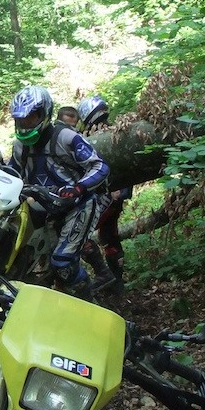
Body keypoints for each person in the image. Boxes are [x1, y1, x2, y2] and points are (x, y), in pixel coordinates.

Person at [9, 86, 110, 299]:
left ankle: (88, 302)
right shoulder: (19, 146)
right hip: (45, 211)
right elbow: (12, 172)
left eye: (31, 117)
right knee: (37, 264)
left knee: (63, 262)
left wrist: (78, 187)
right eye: (21, 119)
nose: (26, 123)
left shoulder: (66, 137)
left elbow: (99, 166)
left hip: (78, 206)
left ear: (44, 113)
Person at [77, 95, 131, 294]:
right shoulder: (113, 131)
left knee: (79, 233)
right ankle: (115, 283)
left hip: (108, 196)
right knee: (109, 237)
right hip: (114, 194)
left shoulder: (97, 136)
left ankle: (106, 277)